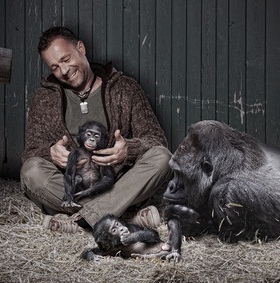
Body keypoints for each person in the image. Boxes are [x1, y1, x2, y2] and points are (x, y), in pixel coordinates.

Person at [20, 26, 172, 233]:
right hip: (74, 186)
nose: (63, 71)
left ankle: (81, 221)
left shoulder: (124, 88)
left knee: (162, 157)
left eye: (66, 60)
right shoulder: (44, 98)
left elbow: (156, 140)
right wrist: (50, 153)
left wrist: (129, 150)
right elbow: (30, 153)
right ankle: (123, 214)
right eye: (55, 67)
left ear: (80, 48)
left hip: (118, 181)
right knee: (31, 170)